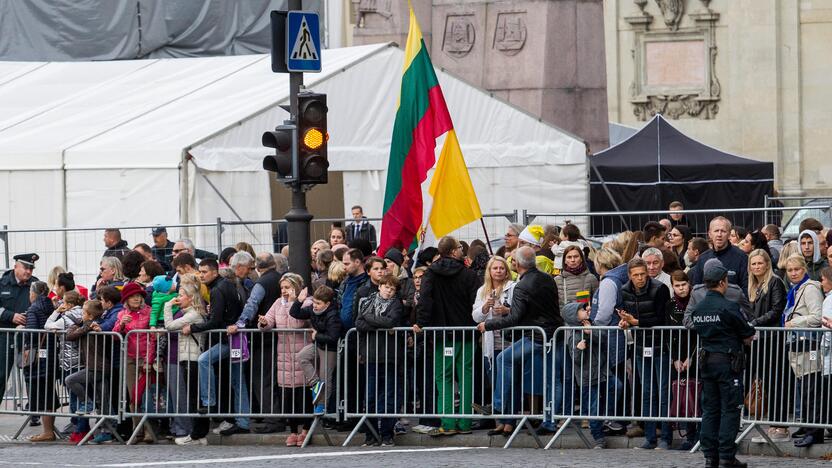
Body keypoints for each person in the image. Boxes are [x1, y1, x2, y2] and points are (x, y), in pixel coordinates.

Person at [478, 246, 563, 436]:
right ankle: (550, 422)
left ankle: (498, 406)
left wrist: (488, 325)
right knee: (553, 379)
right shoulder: (547, 278)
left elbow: (513, 318)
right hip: (554, 333)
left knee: (504, 359)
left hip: (536, 336)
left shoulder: (521, 286)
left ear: (517, 264)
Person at [690, 259, 755, 468]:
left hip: (707, 361)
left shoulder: (698, 309)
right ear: (722, 282)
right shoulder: (728, 306)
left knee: (710, 410)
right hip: (727, 363)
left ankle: (710, 456)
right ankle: (726, 456)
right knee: (730, 409)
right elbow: (747, 332)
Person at [416, 236, 478, 437]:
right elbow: (475, 303)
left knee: (444, 378)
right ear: (452, 252)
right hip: (466, 332)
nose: (462, 250)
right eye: (460, 247)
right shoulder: (468, 275)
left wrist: (422, 324)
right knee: (466, 376)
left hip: (441, 334)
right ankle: (465, 422)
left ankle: (448, 421)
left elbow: (425, 301)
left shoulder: (430, 274)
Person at [187, 258, 249, 436]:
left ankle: (209, 402)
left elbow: (215, 321)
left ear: (215, 272)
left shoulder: (217, 289)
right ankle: (243, 421)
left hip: (228, 340)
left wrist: (192, 327)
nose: (201, 275)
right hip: (235, 338)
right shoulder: (228, 285)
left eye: (204, 271)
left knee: (203, 360)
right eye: (200, 271)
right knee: (238, 381)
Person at [618, 257, 672, 450]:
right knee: (647, 392)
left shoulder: (660, 289)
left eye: (643, 274)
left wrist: (636, 323)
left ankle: (665, 436)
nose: (640, 278)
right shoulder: (625, 290)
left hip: (661, 346)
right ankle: (650, 437)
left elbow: (662, 319)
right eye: (636, 275)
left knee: (663, 392)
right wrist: (625, 321)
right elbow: (628, 314)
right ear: (630, 276)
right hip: (640, 347)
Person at [229, 252, 283, 433]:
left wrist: (240, 324)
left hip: (263, 338)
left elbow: (252, 305)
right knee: (278, 379)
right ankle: (278, 417)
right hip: (281, 337)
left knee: (263, 379)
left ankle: (273, 420)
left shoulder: (262, 283)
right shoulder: (281, 278)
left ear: (257, 267)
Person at [259, 273, 313, 447]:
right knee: (288, 396)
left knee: (303, 395)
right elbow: (269, 321)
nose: (284, 291)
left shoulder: (306, 302)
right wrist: (263, 323)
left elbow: (297, 324)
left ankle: (306, 429)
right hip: (284, 356)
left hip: (301, 354)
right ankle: (293, 431)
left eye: (288, 287)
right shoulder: (277, 303)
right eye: (282, 288)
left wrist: (292, 302)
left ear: (296, 287)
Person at [745, 249, 790, 443]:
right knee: (763, 382)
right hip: (757, 341)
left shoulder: (775, 282)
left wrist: (755, 323)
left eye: (759, 263)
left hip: (772, 339)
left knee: (775, 382)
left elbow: (776, 310)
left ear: (767, 264)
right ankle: (770, 423)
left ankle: (780, 425)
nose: (756, 267)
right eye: (753, 264)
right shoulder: (753, 285)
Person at [562, 301, 620, 449]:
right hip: (587, 378)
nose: (588, 309)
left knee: (617, 387)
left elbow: (603, 338)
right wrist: (580, 349)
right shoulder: (574, 336)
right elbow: (576, 360)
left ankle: (607, 417)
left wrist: (591, 332)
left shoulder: (592, 325)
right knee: (593, 406)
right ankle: (598, 437)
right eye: (582, 309)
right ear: (574, 316)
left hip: (603, 372)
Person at [355, 274, 405, 446]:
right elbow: (358, 323)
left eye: (392, 289)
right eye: (386, 287)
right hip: (370, 355)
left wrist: (368, 318)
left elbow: (390, 321)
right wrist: (376, 322)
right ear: (379, 287)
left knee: (388, 396)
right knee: (370, 396)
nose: (389, 291)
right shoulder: (368, 301)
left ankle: (386, 434)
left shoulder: (396, 304)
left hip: (389, 356)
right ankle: (370, 434)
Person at [782, 254, 825, 447]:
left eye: (797, 270)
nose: (793, 273)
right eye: (790, 270)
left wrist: (794, 322)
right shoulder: (795, 290)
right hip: (798, 346)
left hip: (810, 345)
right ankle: (807, 426)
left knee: (812, 388)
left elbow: (817, 316)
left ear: (804, 270)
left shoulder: (810, 289)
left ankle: (815, 431)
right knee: (804, 388)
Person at [163, 281, 208, 445]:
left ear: (190, 298)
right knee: (190, 397)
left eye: (181, 295)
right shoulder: (188, 312)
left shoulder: (193, 314)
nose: (177, 298)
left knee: (192, 398)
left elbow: (169, 326)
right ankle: (196, 434)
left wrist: (168, 306)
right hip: (187, 358)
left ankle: (194, 434)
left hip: (192, 358)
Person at [588, 248, 628, 435]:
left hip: (609, 337)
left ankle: (613, 419)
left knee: (612, 379)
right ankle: (617, 418)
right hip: (616, 336)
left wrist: (593, 325)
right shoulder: (619, 277)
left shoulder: (608, 282)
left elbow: (604, 312)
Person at [112, 282, 156, 443]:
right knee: (133, 397)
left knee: (146, 395)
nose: (137, 299)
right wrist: (122, 323)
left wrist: (149, 360)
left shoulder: (149, 312)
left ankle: (150, 431)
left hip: (145, 357)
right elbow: (114, 335)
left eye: (139, 296)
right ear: (126, 300)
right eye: (133, 297)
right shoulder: (121, 314)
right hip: (130, 358)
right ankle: (137, 430)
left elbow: (153, 339)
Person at [291, 285, 341, 417]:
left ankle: (321, 406)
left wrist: (316, 335)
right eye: (314, 302)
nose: (315, 305)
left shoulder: (333, 315)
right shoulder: (313, 310)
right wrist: (299, 301)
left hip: (329, 348)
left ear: (327, 304)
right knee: (302, 356)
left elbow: (333, 337)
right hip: (318, 344)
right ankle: (315, 383)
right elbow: (295, 313)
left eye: (318, 303)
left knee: (326, 376)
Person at [64, 299, 108, 441]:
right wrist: (82, 325)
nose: (81, 314)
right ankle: (106, 429)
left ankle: (87, 403)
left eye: (83, 312)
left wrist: (85, 326)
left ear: (90, 316)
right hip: (93, 366)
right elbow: (70, 334)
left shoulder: (95, 326)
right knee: (102, 399)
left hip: (98, 367)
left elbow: (71, 335)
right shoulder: (86, 326)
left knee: (70, 380)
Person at [664, 270, 699, 450]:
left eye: (683, 284)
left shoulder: (696, 301)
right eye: (677, 286)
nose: (681, 288)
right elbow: (668, 334)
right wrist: (675, 359)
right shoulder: (670, 305)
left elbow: (698, 333)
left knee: (696, 394)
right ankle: (688, 434)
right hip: (678, 357)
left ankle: (697, 435)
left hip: (695, 355)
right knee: (682, 396)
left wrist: (691, 357)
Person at [45, 290, 86, 440]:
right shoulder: (83, 312)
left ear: (67, 304)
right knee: (81, 395)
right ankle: (81, 427)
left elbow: (47, 325)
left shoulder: (66, 317)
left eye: (63, 302)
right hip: (83, 360)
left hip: (70, 361)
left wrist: (56, 311)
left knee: (75, 397)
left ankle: (78, 427)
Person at [472, 256, 516, 394]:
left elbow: (521, 311)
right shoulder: (482, 290)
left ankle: (508, 414)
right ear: (489, 271)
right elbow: (476, 316)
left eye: (502, 268)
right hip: (491, 343)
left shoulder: (513, 287)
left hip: (510, 342)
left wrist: (506, 310)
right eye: (495, 268)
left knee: (510, 382)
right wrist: (485, 307)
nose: (498, 271)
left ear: (506, 271)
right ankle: (499, 412)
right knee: (495, 381)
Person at [22, 281, 59, 442]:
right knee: (49, 393)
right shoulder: (50, 306)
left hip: (38, 358)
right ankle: (49, 430)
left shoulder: (33, 309)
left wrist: (25, 339)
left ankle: (47, 432)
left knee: (41, 394)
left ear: (33, 293)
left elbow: (32, 332)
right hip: (51, 355)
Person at [689, 217, 749, 294]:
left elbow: (746, 288)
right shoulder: (703, 258)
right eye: (716, 231)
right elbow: (696, 289)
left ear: (729, 234)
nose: (719, 234)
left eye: (723, 231)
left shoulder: (741, 257)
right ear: (710, 234)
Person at [554, 245, 598, 309]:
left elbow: (596, 303)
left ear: (581, 259)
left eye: (576, 256)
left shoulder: (591, 278)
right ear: (565, 261)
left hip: (586, 317)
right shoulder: (557, 280)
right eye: (569, 257)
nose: (573, 260)